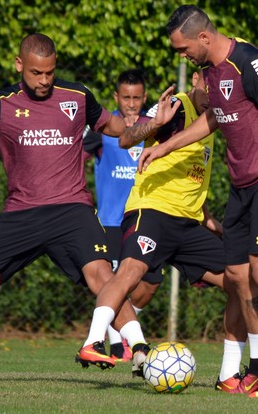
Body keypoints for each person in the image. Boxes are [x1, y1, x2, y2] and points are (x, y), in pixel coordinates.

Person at [0, 33, 140, 383]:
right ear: (19, 66)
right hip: (20, 215)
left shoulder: (76, 96)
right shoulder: (0, 102)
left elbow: (115, 127)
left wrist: (145, 127)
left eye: (49, 72)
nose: (44, 81)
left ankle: (144, 353)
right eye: (36, 73)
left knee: (104, 277)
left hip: (71, 210)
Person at [138, 5, 258, 398]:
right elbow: (213, 118)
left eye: (183, 49)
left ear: (203, 38)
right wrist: (165, 148)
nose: (182, 56)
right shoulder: (211, 73)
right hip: (241, 186)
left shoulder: (248, 60)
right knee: (237, 277)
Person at [78, 71, 258, 387]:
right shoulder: (176, 107)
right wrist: (155, 123)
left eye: (221, 88)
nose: (214, 92)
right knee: (129, 273)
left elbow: (192, 183)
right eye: (210, 85)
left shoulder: (214, 119)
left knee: (240, 281)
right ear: (195, 79)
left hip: (188, 225)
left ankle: (229, 373)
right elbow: (126, 138)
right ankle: (93, 343)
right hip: (152, 212)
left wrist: (211, 222)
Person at [82, 68, 147, 362]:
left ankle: (123, 336)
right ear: (116, 97)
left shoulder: (151, 128)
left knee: (146, 285)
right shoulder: (102, 130)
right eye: (125, 97)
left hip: (141, 218)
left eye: (136, 98)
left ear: (144, 97)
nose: (131, 104)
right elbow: (73, 155)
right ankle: (119, 345)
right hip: (109, 221)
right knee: (115, 281)